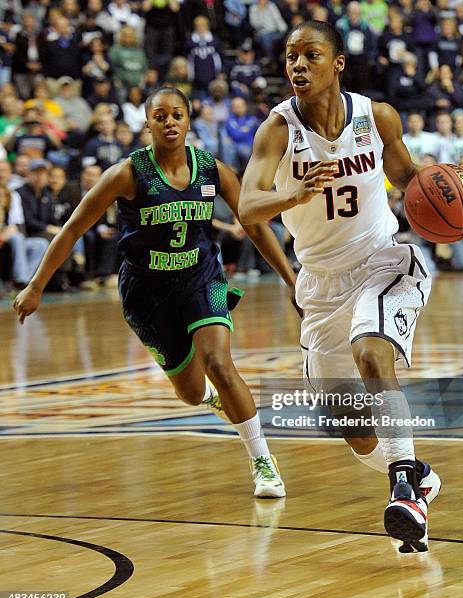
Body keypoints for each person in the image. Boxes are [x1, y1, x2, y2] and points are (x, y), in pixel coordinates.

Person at [13, 86, 299, 499]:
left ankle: (263, 462)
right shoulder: (127, 174)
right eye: (160, 116)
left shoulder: (213, 170)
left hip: (202, 279)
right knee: (191, 393)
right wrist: (36, 286)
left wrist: (291, 281)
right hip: (146, 291)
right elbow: (75, 227)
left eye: (177, 115)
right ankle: (211, 398)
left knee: (219, 361)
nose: (169, 122)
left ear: (188, 120)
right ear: (147, 124)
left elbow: (254, 225)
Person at [239, 20, 447, 552]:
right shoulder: (278, 131)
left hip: (383, 260)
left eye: (310, 55)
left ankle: (404, 489)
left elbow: (409, 178)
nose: (297, 65)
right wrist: (293, 195)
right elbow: (247, 206)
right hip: (321, 283)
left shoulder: (376, 117)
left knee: (372, 355)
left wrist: (455, 191)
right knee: (352, 429)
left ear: (338, 64)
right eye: (290, 57)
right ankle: (417, 470)